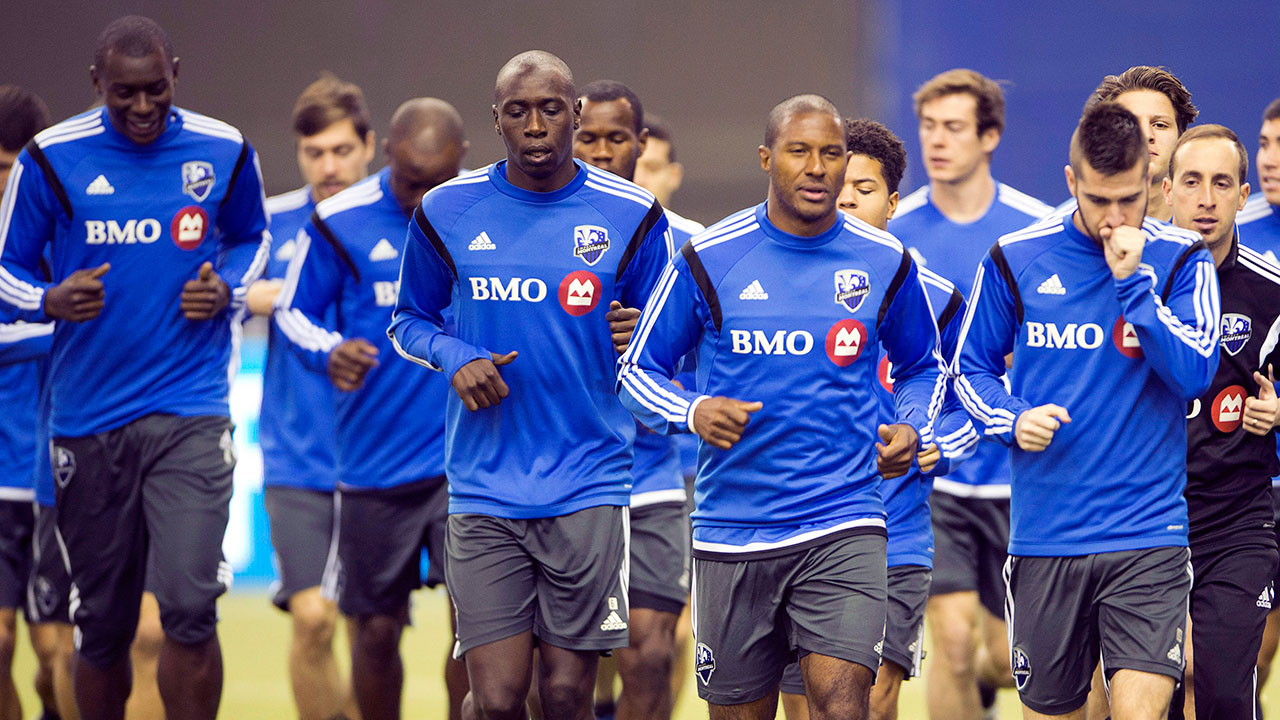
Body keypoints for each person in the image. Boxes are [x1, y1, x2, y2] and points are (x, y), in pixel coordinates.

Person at [618, 94, 945, 720]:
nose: (818, 167)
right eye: (800, 152)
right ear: (768, 158)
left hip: (844, 518)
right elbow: (637, 369)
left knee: (845, 704)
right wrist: (694, 410)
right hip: (735, 529)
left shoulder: (885, 262)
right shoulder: (710, 257)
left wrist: (910, 422)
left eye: (831, 154)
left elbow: (923, 367)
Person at [0, 16, 270, 720]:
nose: (144, 108)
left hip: (191, 410)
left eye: (156, 90)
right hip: (88, 420)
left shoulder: (224, 150)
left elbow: (252, 238)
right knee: (103, 627)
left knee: (188, 607)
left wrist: (229, 291)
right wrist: (49, 297)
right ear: (97, 85)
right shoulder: (50, 159)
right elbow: (7, 270)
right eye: (125, 94)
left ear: (176, 73)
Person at [387, 51, 670, 720]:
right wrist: (455, 354)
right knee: (496, 697)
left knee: (568, 694)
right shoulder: (447, 210)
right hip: (484, 485)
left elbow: (675, 339)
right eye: (518, 111)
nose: (535, 125)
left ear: (574, 114)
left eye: (550, 109)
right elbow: (407, 321)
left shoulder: (634, 214)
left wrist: (643, 334)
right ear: (496, 121)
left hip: (590, 481)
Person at [954, 101, 1220, 720]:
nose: (1115, 217)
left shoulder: (1181, 259)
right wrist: (1011, 417)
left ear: (1153, 184)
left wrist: (1136, 289)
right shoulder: (1015, 257)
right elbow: (968, 372)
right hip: (1047, 538)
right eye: (1100, 199)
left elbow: (1195, 375)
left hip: (1147, 536)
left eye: (1130, 198)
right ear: (1072, 183)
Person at [778, 117, 976, 720]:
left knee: (867, 701)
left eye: (863, 189)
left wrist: (938, 439)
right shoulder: (781, 285)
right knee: (805, 705)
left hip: (897, 536)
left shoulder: (937, 298)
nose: (844, 197)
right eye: (838, 184)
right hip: (797, 528)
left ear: (892, 203)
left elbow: (972, 401)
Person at [276, 97, 467, 720]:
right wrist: (330, 350)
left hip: (464, 465)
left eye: (437, 185)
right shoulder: (338, 221)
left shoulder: (483, 212)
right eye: (412, 185)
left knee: (476, 632)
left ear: (462, 163)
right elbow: (292, 311)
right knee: (377, 635)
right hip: (372, 469)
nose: (423, 202)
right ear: (385, 155)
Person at [887, 68, 1050, 720]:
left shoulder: (1035, 231)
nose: (936, 141)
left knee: (1011, 659)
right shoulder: (893, 238)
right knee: (950, 645)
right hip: (941, 478)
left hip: (1022, 476)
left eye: (953, 127)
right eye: (927, 126)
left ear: (990, 136)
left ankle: (994, 672)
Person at [247, 72, 374, 720]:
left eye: (341, 150)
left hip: (382, 458)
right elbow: (222, 296)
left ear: (369, 146)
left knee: (371, 628)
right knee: (312, 620)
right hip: (298, 458)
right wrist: (259, 295)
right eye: (315, 152)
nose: (329, 165)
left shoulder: (404, 221)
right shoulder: (270, 225)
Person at [572, 79, 689, 720]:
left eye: (616, 139)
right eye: (587, 138)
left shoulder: (691, 245)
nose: (600, 152)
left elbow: (717, 363)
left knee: (650, 655)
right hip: (564, 482)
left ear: (640, 146)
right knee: (562, 672)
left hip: (651, 480)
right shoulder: (529, 230)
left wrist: (651, 339)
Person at [1164, 123, 1280, 719]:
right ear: (1167, 190)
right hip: (1145, 518)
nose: (1205, 198)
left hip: (1238, 520)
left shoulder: (1271, 292)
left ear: (1242, 196)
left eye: (1221, 183)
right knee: (1147, 696)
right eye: (1192, 182)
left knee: (1224, 693)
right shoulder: (1133, 283)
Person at [0, 84, 62, 720]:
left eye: (15, 169)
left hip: (54, 473)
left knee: (57, 658)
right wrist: (62, 324)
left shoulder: (64, 238)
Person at [1243, 98, 1280, 697]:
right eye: (1266, 142)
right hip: (1252, 487)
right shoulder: (1233, 231)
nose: (1271, 160)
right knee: (1245, 663)